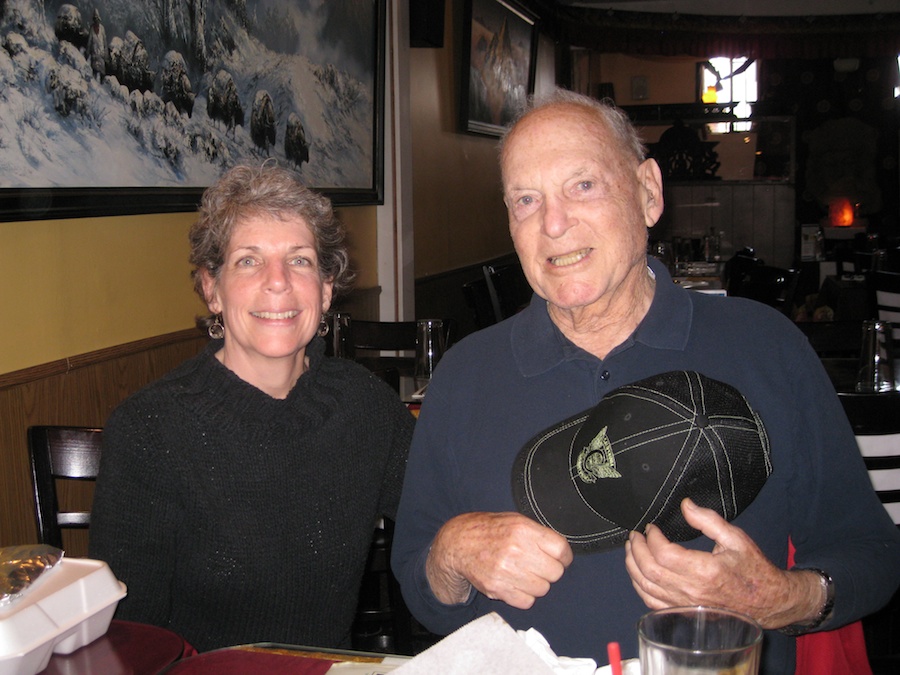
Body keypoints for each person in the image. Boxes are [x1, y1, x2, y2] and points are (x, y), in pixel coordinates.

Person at [390, 89, 900, 673]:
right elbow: (420, 585)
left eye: (583, 185)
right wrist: (452, 555)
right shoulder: (463, 376)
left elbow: (874, 555)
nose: (553, 224)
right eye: (525, 200)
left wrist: (780, 598)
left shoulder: (768, 346)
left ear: (648, 192)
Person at [89, 163, 414, 652]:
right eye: (248, 260)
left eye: (300, 260)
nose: (278, 282)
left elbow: (440, 520)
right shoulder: (149, 431)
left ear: (327, 288)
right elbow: (133, 635)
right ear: (211, 289)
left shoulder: (367, 406)